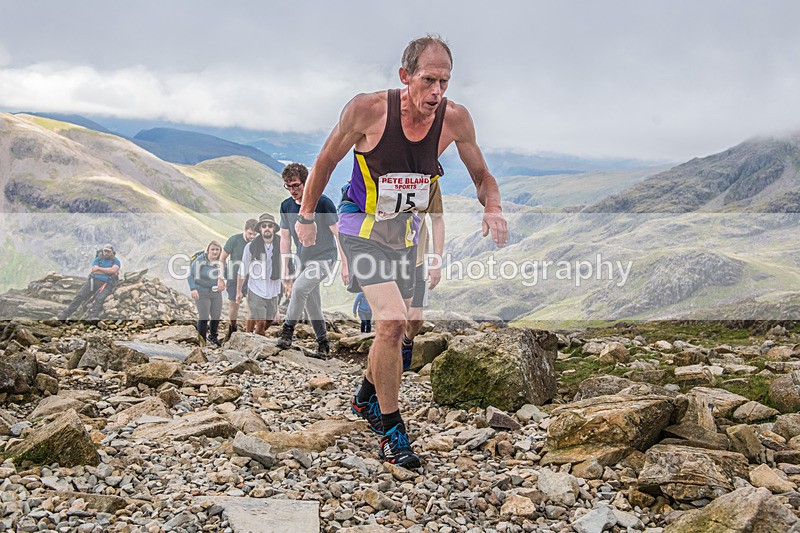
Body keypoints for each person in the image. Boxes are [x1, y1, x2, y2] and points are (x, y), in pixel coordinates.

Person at [294, 35, 508, 468]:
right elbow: (325, 160)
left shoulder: (455, 120)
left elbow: (482, 173)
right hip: (361, 228)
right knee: (390, 322)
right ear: (404, 76)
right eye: (429, 80)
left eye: (445, 82)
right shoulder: (367, 110)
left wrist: (494, 207)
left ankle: (365, 397)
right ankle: (392, 431)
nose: (437, 92)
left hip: (404, 237)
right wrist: (306, 213)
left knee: (405, 325)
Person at [275, 163, 342, 358]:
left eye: (296, 185)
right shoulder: (286, 206)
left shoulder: (323, 203)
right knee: (312, 304)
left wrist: (346, 264)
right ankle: (323, 345)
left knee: (299, 289)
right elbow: (285, 238)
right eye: (288, 186)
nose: (292, 190)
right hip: (303, 259)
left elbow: (338, 234)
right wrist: (284, 269)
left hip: (325, 257)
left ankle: (287, 332)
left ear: (306, 183)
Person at [402, 179, 444, 370]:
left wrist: (436, 262)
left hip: (417, 260)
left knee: (416, 318)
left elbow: (437, 219)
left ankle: (407, 340)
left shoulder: (430, 177)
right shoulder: (383, 166)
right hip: (385, 258)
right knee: (391, 319)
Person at [239, 213, 282, 336]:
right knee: (261, 322)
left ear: (274, 228)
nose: (267, 228)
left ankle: (251, 336)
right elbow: (243, 269)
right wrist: (239, 290)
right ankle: (255, 345)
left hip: (273, 289)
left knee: (269, 321)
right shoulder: (251, 246)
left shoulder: (282, 243)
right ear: (260, 228)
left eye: (270, 225)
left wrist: (289, 284)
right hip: (256, 288)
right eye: (264, 226)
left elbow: (288, 264)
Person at [219, 218, 259, 339]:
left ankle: (248, 332)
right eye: (250, 233)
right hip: (233, 276)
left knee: (250, 305)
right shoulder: (234, 240)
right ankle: (233, 327)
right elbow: (222, 259)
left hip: (250, 277)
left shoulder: (257, 242)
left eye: (255, 234)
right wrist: (220, 277)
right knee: (234, 306)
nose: (252, 236)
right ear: (245, 230)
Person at [59, 243, 121, 321]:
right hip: (93, 281)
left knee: (100, 298)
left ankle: (93, 316)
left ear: (112, 252)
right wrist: (108, 271)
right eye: (105, 251)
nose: (106, 253)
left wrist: (100, 269)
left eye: (108, 251)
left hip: (107, 283)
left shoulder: (116, 261)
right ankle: (65, 314)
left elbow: (113, 270)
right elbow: (94, 270)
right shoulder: (98, 259)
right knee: (80, 295)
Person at [188, 241, 224, 346]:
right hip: (201, 291)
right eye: (212, 249)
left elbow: (226, 274)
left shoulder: (221, 262)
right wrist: (193, 289)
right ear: (208, 250)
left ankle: (213, 336)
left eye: (217, 249)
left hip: (215, 292)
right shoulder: (200, 260)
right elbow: (190, 275)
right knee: (204, 316)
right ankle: (202, 340)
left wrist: (224, 283)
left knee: (216, 315)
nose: (215, 252)